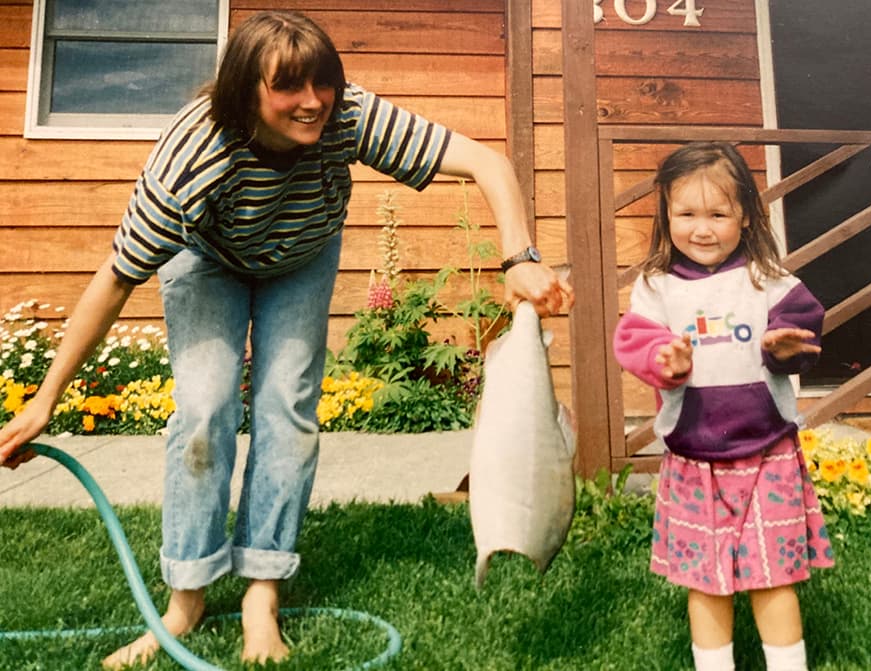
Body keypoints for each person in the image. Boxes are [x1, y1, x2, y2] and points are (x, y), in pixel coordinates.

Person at [0, 10, 573, 668]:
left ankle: (261, 592)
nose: (313, 102)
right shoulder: (193, 159)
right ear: (247, 90)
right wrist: (46, 398)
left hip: (300, 256)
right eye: (290, 88)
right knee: (204, 410)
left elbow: (484, 161)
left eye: (323, 83)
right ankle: (186, 594)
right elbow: (114, 280)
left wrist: (518, 256)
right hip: (206, 260)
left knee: (288, 409)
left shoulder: (348, 116)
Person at [613, 142, 833, 671]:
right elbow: (635, 343)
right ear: (666, 216)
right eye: (686, 214)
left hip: (768, 455)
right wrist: (664, 359)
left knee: (774, 576)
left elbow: (802, 327)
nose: (702, 229)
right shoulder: (656, 287)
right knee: (705, 583)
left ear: (746, 215)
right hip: (693, 459)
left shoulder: (767, 280)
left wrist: (783, 345)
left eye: (718, 213)